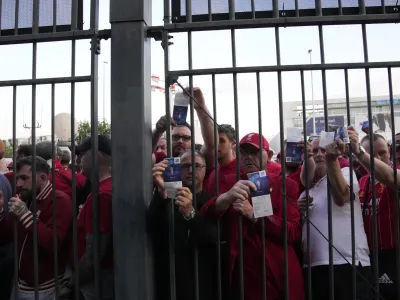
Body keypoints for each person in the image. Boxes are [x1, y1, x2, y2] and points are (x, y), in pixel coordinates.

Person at [201, 133, 304, 300]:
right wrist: (227, 197)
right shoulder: (230, 182)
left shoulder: (285, 185)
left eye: (254, 152)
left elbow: (292, 231)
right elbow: (206, 213)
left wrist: (254, 214)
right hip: (244, 278)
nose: (248, 158)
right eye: (243, 153)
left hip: (279, 274)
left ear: (269, 155)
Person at [298, 137, 371, 300]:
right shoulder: (305, 192)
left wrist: (332, 161)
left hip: (346, 263)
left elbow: (341, 196)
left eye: (324, 150)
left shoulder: (345, 172)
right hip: (314, 267)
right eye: (314, 151)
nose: (319, 154)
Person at [149, 150, 219, 300]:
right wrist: (161, 194)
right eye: (185, 166)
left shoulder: (211, 201)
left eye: (197, 166)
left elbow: (214, 237)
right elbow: (151, 228)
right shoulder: (167, 199)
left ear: (205, 170)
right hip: (169, 282)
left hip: (201, 283)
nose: (191, 171)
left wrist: (190, 213)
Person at [0, 156, 72, 299]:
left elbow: (53, 243)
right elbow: (5, 236)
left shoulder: (59, 200)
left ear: (43, 177)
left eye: (24, 178)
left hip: (44, 288)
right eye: (17, 178)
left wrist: (25, 215)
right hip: (19, 283)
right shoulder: (27, 199)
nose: (18, 183)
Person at [348, 127, 400, 299]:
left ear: (390, 152)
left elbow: (390, 178)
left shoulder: (396, 173)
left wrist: (359, 151)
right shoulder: (361, 181)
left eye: (382, 153)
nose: (378, 158)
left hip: (394, 254)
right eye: (372, 154)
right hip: (368, 256)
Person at [61, 135, 113, 300]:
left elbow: (94, 252)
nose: (77, 160)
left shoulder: (102, 195)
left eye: (81, 155)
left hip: (95, 282)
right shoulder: (108, 188)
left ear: (97, 156)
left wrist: (72, 283)